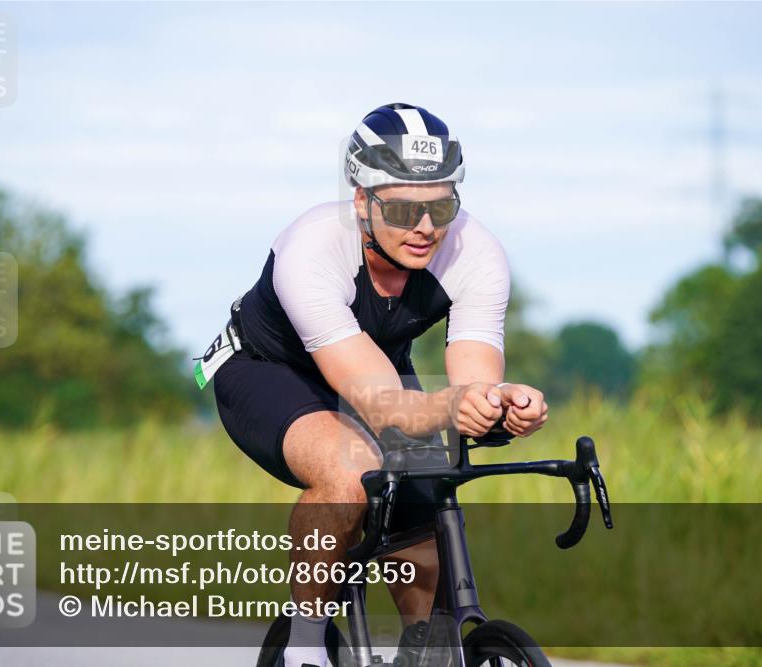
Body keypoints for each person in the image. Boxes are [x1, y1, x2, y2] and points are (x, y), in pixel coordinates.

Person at [203, 102, 548, 667]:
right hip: (270, 372)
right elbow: (382, 402)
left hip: (379, 371)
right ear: (361, 199)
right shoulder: (312, 247)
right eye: (404, 209)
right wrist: (454, 405)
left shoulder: (476, 252)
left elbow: (473, 380)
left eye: (441, 205)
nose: (426, 228)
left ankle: (424, 652)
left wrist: (503, 404)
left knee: (424, 500)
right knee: (346, 472)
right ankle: (307, 647)